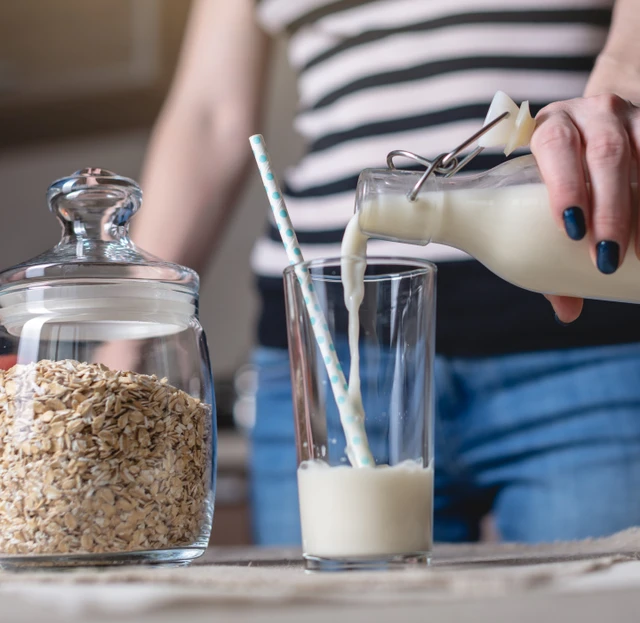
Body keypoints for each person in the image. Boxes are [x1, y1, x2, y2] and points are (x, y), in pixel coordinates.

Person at [131, 0, 640, 544]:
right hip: (329, 350)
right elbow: (209, 114)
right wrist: (126, 330)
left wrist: (623, 96)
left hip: (579, 340)